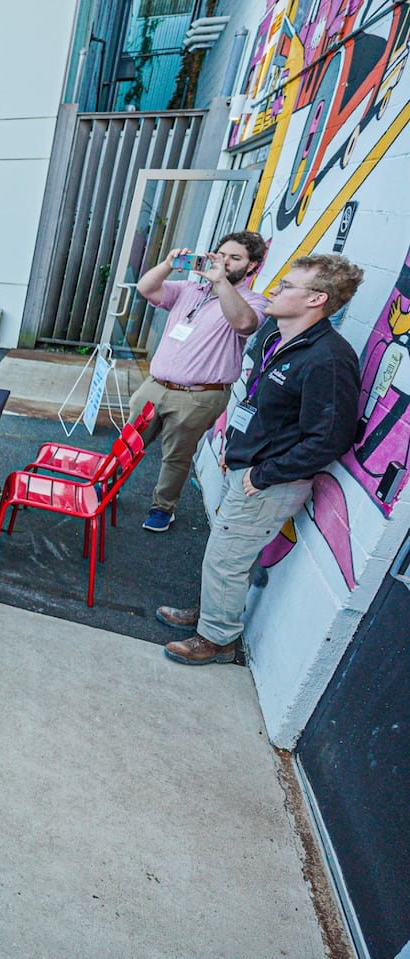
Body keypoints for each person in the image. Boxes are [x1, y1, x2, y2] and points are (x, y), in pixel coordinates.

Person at [157, 254, 364, 665]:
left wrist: (264, 473)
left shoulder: (329, 358)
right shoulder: (279, 337)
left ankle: (216, 640)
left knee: (226, 559)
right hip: (247, 466)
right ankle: (214, 615)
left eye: (288, 286)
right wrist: (234, 448)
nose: (276, 289)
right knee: (228, 555)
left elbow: (330, 438)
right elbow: (260, 405)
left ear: (316, 299)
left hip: (268, 481)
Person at [130, 232, 270, 532]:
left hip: (199, 396)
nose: (224, 261)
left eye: (235, 258)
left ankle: (162, 509)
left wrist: (220, 282)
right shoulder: (190, 289)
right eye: (221, 254)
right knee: (129, 443)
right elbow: (146, 288)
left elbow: (244, 323)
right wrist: (168, 264)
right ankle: (106, 485)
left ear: (252, 266)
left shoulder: (254, 301)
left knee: (176, 457)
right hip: (155, 386)